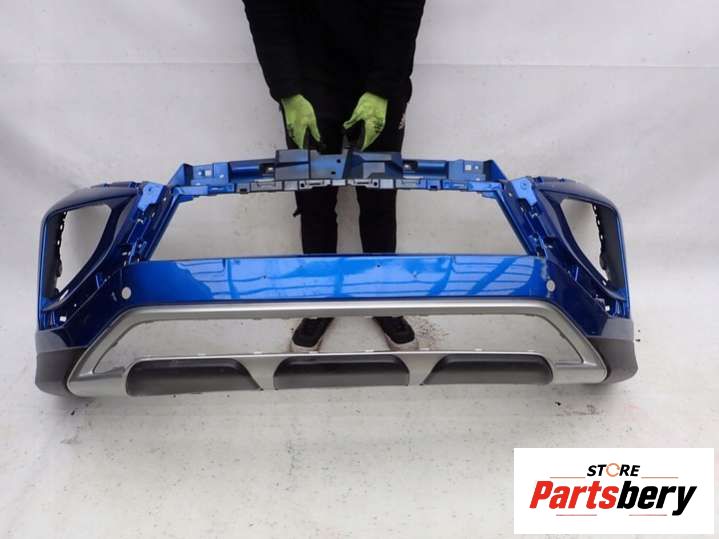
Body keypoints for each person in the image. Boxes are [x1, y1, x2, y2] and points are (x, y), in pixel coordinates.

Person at [243, 0, 426, 352]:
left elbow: (404, 8)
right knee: (313, 199)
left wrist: (382, 89)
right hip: (305, 77)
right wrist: (288, 92)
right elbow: (265, 9)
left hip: (379, 66)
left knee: (379, 196)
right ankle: (320, 297)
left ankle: (383, 297)